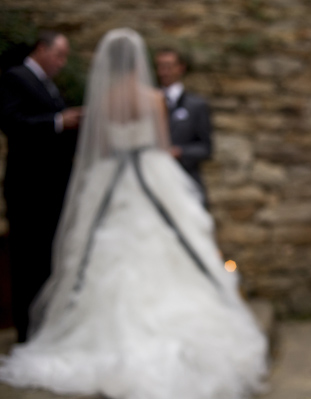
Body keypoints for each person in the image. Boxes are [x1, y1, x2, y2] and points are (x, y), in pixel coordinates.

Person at [0, 29, 268, 399]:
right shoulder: (153, 98)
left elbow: (103, 146)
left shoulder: (105, 100)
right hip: (151, 175)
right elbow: (159, 143)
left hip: (111, 180)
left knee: (98, 251)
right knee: (173, 242)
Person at [0, 30, 82, 343]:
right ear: (41, 48)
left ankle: (43, 327)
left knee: (47, 259)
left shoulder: (47, 84)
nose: (62, 63)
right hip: (28, 188)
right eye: (59, 55)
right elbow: (12, 123)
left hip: (51, 187)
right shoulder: (15, 77)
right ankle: (27, 332)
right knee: (27, 260)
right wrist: (60, 122)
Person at [154, 47, 212, 207]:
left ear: (181, 68)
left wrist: (180, 152)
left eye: (168, 66)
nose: (163, 72)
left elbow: (206, 148)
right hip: (155, 181)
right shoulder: (148, 103)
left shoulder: (196, 105)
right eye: (160, 66)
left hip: (185, 180)